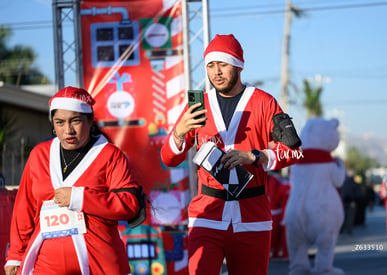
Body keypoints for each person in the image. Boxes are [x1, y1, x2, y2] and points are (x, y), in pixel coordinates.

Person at [161, 34, 301, 275]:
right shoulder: (199, 105)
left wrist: (255, 156)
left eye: (222, 64)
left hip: (252, 217)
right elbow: (168, 159)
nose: (216, 72)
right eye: (211, 66)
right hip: (206, 215)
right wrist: (179, 133)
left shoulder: (264, 102)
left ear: (238, 65)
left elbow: (294, 153)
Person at [4, 86, 145, 275]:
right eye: (60, 122)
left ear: (90, 121)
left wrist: (80, 198)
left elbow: (130, 204)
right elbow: (24, 209)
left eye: (75, 121)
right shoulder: (39, 154)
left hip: (98, 261)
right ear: (52, 124)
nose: (68, 130)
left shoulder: (109, 154)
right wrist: (15, 255)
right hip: (46, 262)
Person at [268, 170, 290, 260]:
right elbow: (274, 196)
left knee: (280, 234)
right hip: (277, 210)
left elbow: (275, 196)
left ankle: (278, 253)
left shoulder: (277, 180)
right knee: (279, 234)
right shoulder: (276, 179)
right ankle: (278, 252)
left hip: (279, 210)